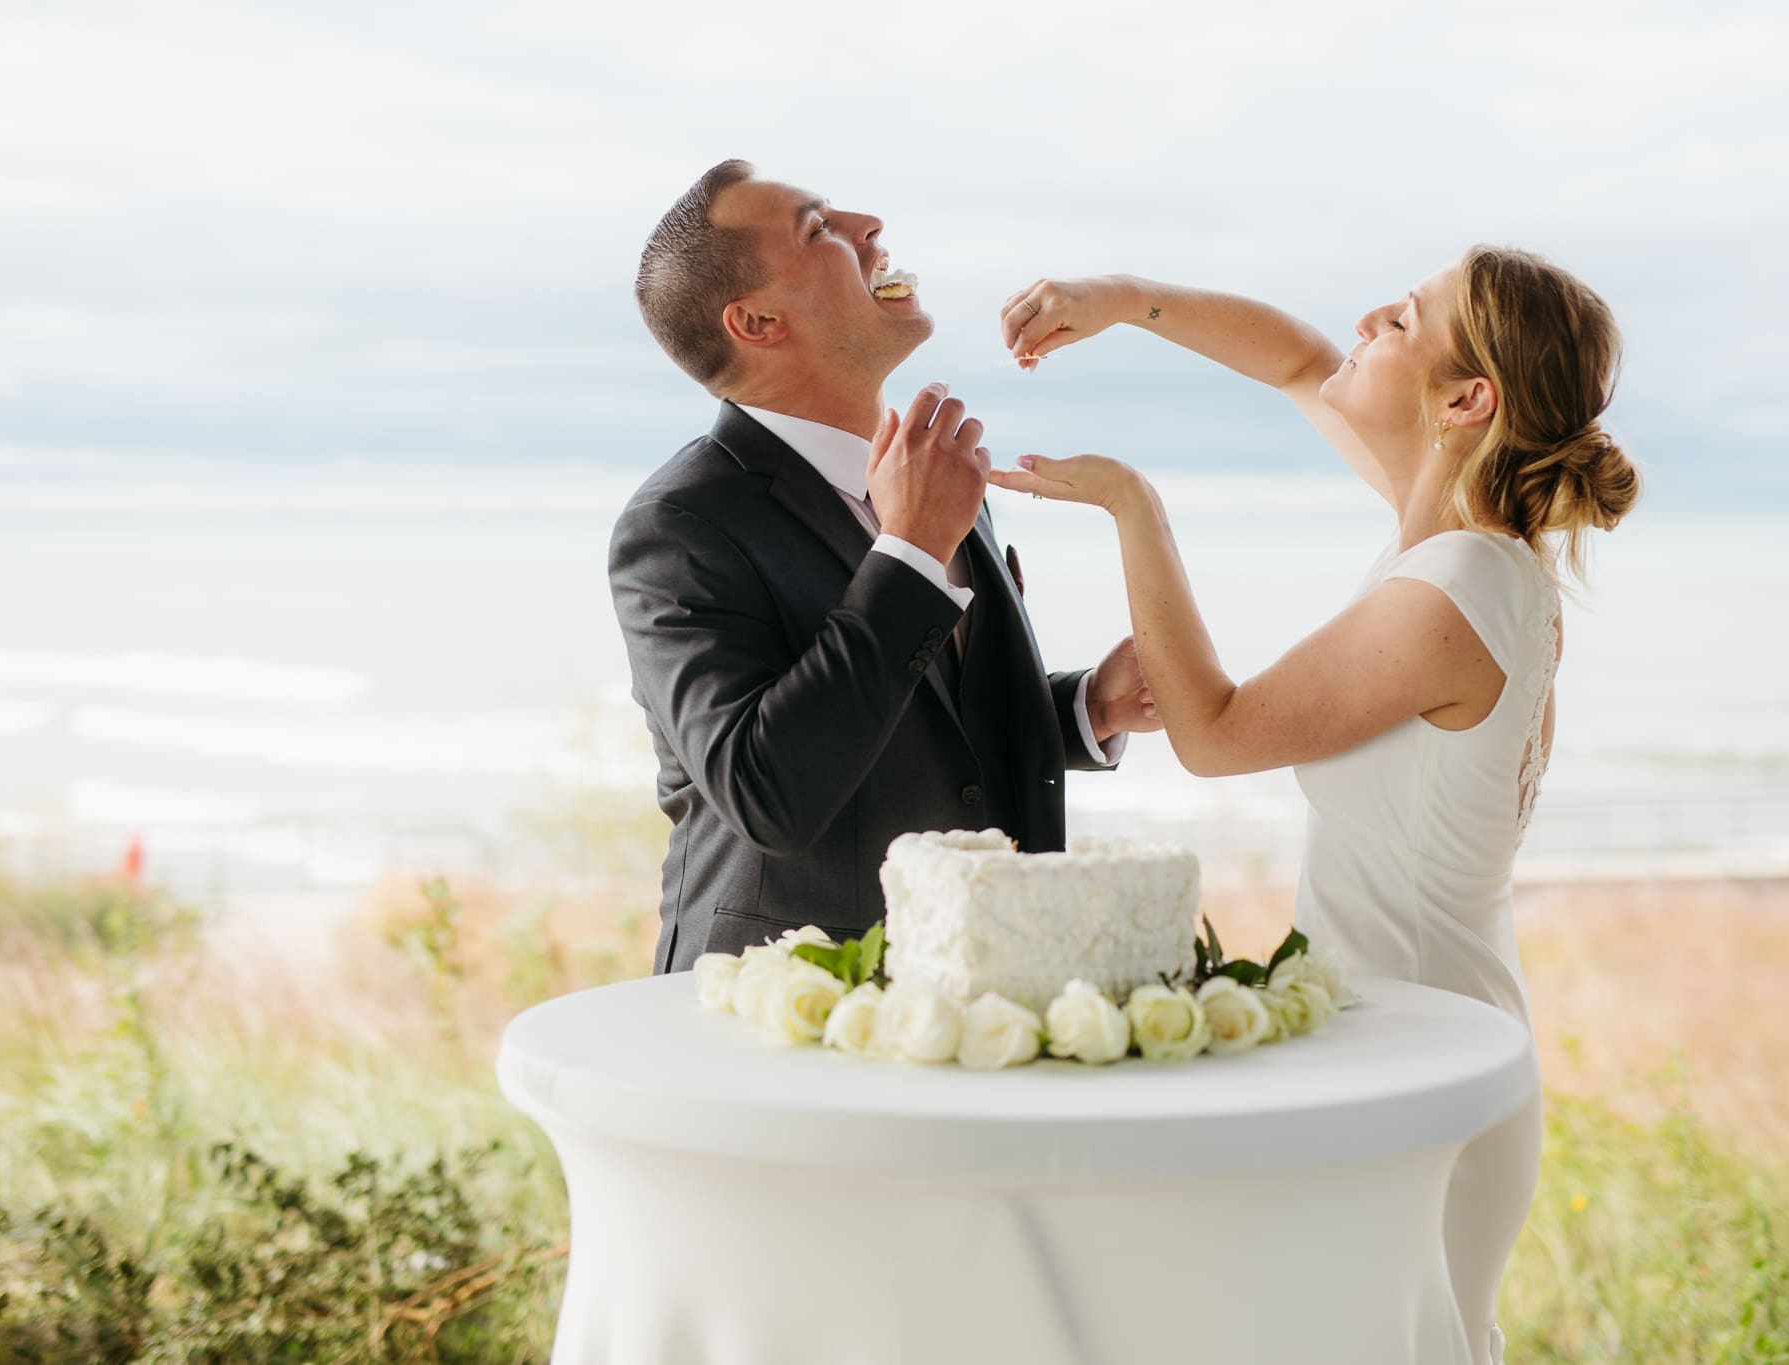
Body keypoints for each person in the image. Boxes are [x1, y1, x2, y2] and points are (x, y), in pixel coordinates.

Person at [988, 250, 1640, 1365]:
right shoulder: (1453, 548)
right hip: (1402, 1040)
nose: (1364, 320)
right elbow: (1293, 358)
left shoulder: (1454, 589)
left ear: (1464, 401)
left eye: (1401, 319)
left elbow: (1213, 732)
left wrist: (1132, 508)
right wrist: (1122, 303)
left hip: (1422, 1058)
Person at [611, 160, 1157, 973]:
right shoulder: (678, 526)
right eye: (817, 227)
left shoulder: (930, 478)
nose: (867, 224)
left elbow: (921, 714)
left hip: (978, 985)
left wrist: (1084, 709)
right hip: (782, 1014)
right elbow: (768, 789)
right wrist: (909, 552)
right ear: (757, 320)